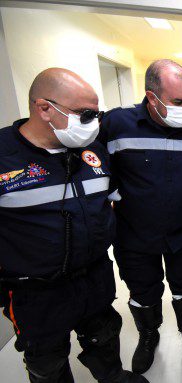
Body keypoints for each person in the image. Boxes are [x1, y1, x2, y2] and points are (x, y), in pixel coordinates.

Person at [0, 68, 147, 383]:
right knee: (47, 360)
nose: (94, 122)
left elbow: (109, 200)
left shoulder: (93, 151)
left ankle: (112, 376)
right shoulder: (4, 156)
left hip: (93, 277)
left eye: (97, 113)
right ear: (44, 109)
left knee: (105, 337)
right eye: (85, 114)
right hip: (35, 291)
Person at [98, 59, 182, 372]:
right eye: (178, 102)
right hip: (134, 234)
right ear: (152, 98)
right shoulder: (116, 125)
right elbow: (97, 174)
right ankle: (148, 335)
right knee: (143, 291)